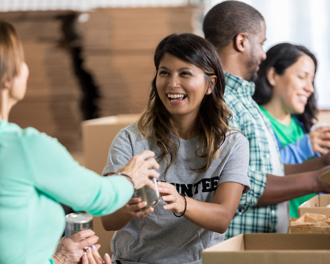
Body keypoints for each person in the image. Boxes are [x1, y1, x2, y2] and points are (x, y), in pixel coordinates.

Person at [0, 20, 160, 264]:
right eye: (20, 60)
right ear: (8, 77)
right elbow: (98, 197)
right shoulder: (24, 147)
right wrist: (130, 178)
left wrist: (57, 259)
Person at [101, 33, 250, 264]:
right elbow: (108, 221)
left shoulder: (232, 143)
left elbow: (222, 217)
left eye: (185, 73)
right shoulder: (131, 140)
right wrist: (128, 206)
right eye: (164, 73)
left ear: (210, 84)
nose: (172, 84)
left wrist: (182, 202)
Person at [203, 0, 330, 239]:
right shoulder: (219, 102)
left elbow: (270, 172)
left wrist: (322, 165)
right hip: (236, 246)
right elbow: (237, 185)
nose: (263, 53)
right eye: (261, 43)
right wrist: (316, 181)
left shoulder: (245, 102)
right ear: (241, 42)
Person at [253, 43, 330, 218]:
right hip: (278, 233)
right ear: (273, 75)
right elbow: (259, 173)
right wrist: (304, 148)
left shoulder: (301, 127)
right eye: (302, 77)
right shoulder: (255, 121)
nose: (310, 88)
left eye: (311, 80)